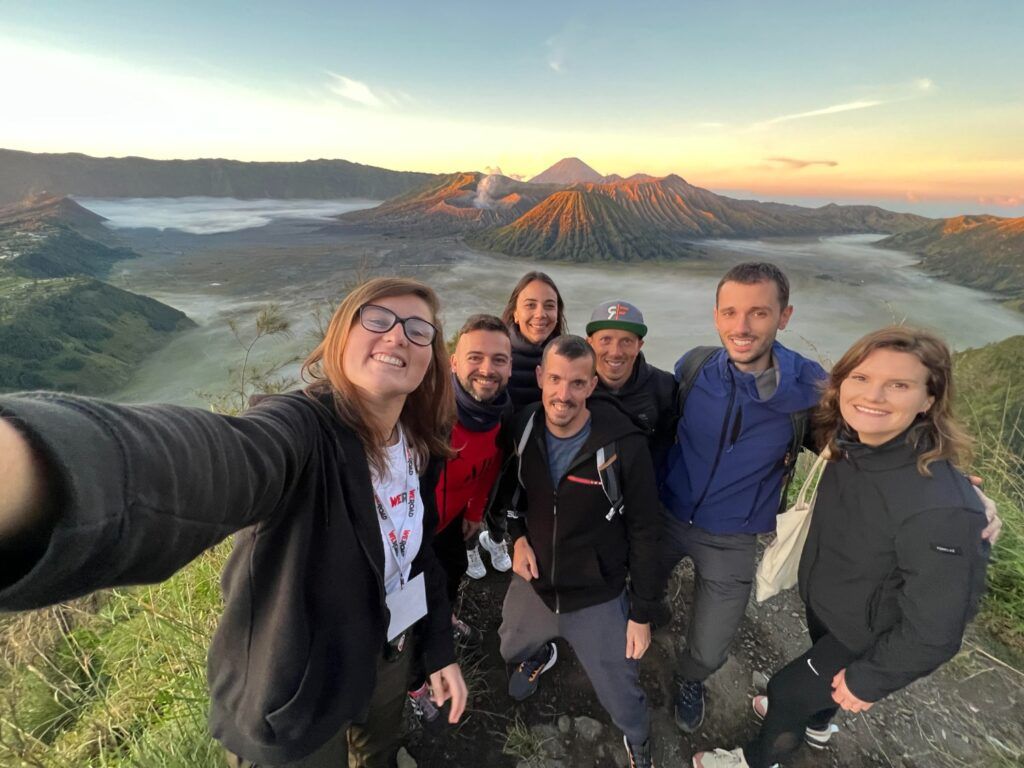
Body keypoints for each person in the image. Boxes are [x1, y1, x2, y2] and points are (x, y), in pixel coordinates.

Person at [0, 277, 467, 768]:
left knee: (379, 751)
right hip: (298, 692)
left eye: (419, 330)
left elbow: (418, 554)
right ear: (340, 337)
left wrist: (437, 649)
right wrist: (48, 469)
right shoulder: (302, 429)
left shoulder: (416, 445)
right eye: (377, 319)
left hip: (387, 651)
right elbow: (223, 458)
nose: (397, 336)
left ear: (431, 359)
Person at [693, 326, 991, 768]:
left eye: (899, 385)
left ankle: (759, 759)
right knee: (814, 682)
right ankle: (817, 721)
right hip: (834, 606)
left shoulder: (943, 507)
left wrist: (868, 680)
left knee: (785, 692)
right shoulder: (852, 444)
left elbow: (937, 631)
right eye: (861, 378)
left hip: (863, 636)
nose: (875, 395)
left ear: (929, 399)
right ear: (842, 383)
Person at [658, 262, 827, 735]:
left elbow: (865, 434)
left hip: (733, 535)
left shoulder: (808, 388)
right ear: (716, 316)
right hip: (668, 513)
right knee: (640, 594)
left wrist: (935, 480)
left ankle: (691, 677)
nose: (742, 327)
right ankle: (650, 613)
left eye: (758, 313)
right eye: (730, 312)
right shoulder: (693, 367)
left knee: (711, 648)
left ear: (784, 316)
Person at [498, 335, 661, 768]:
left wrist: (641, 613)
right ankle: (541, 651)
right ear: (539, 378)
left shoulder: (622, 445)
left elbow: (647, 531)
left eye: (576, 383)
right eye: (554, 380)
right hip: (536, 581)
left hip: (597, 591)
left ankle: (638, 736)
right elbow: (512, 500)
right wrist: (516, 538)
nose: (563, 394)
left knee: (619, 688)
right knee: (507, 647)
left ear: (591, 385)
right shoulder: (525, 428)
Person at [408, 314, 513, 724]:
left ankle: (444, 616)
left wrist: (473, 512)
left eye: (499, 359)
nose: (487, 369)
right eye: (476, 357)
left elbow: (489, 466)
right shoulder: (428, 415)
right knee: (410, 613)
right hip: (408, 536)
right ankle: (415, 683)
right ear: (453, 362)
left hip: (449, 523)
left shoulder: (498, 416)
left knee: (450, 574)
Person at [586, 299, 677, 468]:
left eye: (626, 341)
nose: (615, 352)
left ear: (639, 346)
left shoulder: (664, 387)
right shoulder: (573, 387)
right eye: (606, 340)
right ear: (589, 343)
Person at [500, 271, 568, 411]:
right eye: (530, 305)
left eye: (549, 306)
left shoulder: (570, 361)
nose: (540, 314)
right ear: (516, 314)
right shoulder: (496, 360)